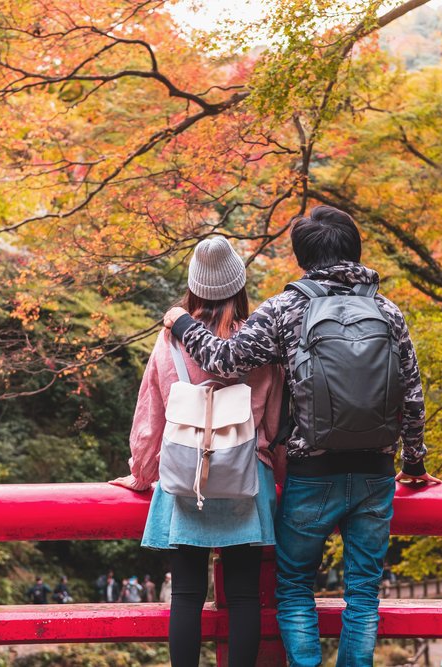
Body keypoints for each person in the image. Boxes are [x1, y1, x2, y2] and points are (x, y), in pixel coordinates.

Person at [164, 206, 439, 667]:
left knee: (294, 590)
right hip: (375, 473)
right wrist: (413, 462)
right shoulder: (388, 311)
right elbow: (411, 394)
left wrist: (182, 322)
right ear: (354, 249)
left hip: (312, 472)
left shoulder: (287, 307)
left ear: (302, 257)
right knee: (364, 596)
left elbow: (225, 360)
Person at [112, 236, 284, 667]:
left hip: (185, 477)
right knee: (245, 596)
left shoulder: (170, 344)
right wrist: (280, 473)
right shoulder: (257, 343)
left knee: (186, 595)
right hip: (247, 476)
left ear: (193, 289)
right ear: (239, 287)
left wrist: (142, 473)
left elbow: (151, 416)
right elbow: (276, 424)